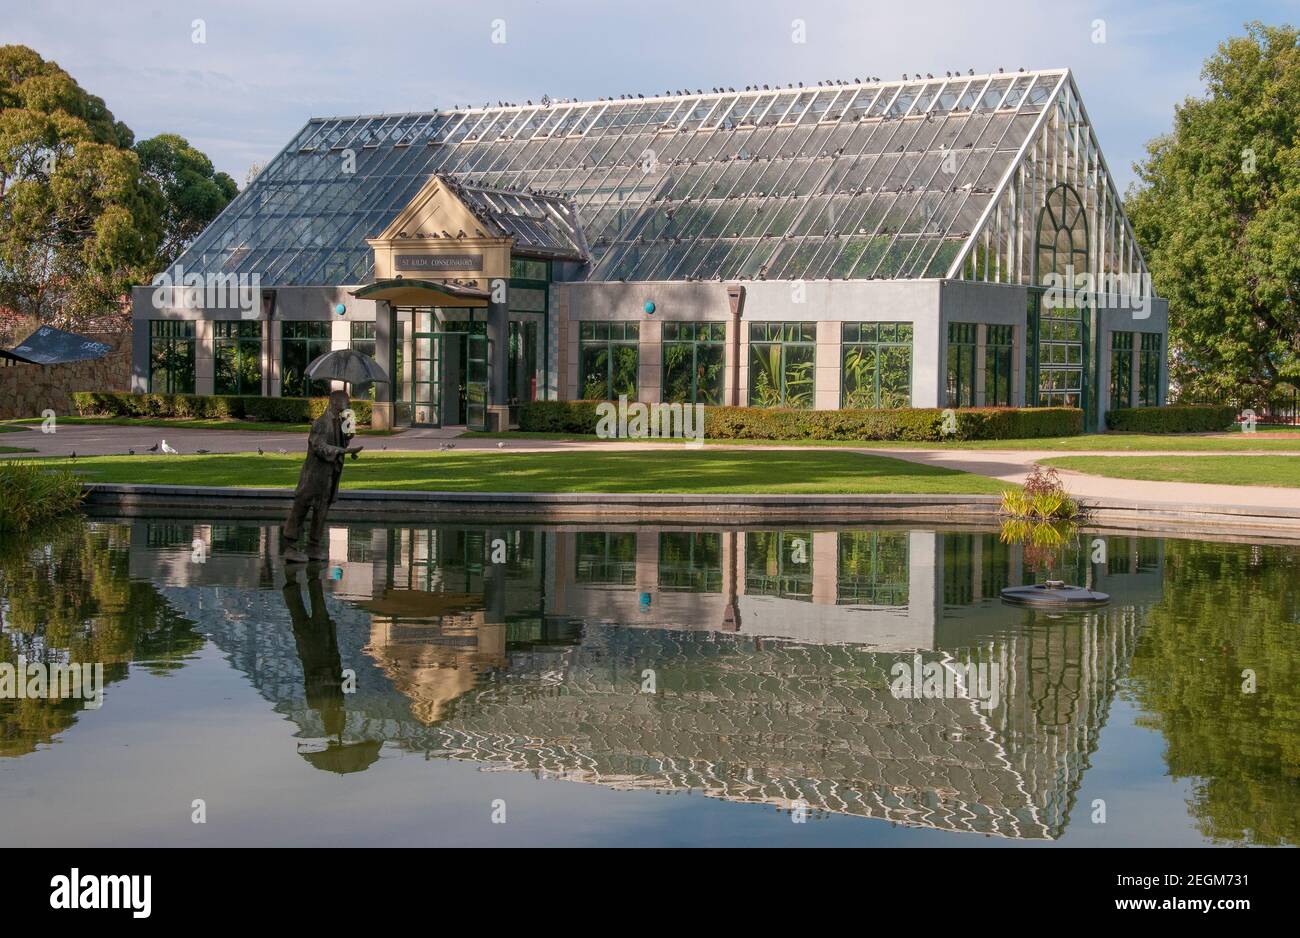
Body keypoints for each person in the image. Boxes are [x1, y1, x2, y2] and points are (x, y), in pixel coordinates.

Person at [282, 389, 363, 563]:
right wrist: (344, 450)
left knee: (322, 510)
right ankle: (290, 546)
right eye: (346, 403)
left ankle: (313, 545)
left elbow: (347, 438)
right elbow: (320, 447)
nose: (348, 406)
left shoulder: (340, 421)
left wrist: (350, 425)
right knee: (301, 508)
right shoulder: (320, 423)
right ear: (334, 403)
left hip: (329, 476)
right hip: (314, 476)